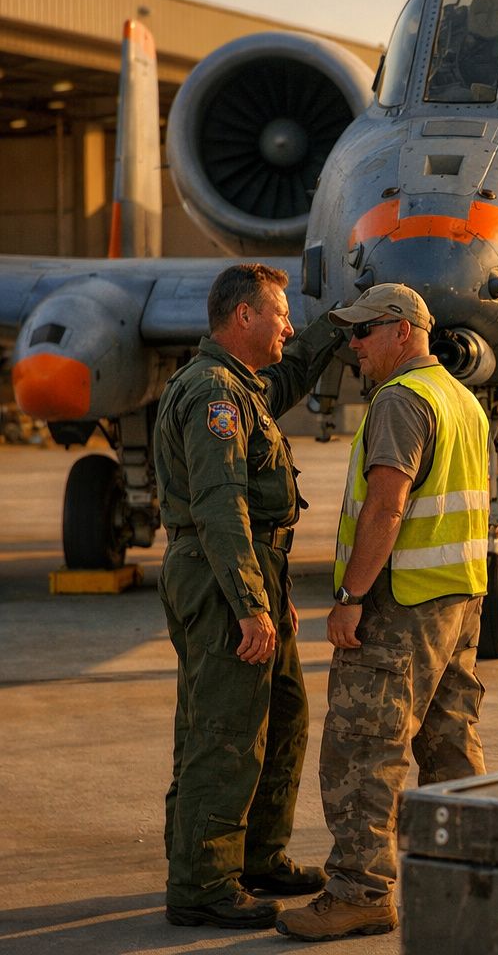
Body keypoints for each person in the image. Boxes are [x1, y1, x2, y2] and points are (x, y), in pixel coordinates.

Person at [276, 283, 490, 942]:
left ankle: (360, 892)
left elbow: (387, 507)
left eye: (364, 333)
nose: (353, 347)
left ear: (402, 331)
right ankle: (470, 873)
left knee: (363, 750)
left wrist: (351, 598)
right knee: (449, 746)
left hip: (399, 607)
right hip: (456, 601)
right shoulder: (459, 398)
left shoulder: (401, 400)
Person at [155, 262, 344, 928]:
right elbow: (218, 507)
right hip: (219, 571)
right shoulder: (214, 395)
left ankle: (258, 856)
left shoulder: (240, 386)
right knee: (225, 729)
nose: (288, 327)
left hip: (252, 568)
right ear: (244, 317)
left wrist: (333, 331)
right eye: (281, 315)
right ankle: (204, 883)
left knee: (282, 713)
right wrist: (249, 602)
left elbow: (288, 375)